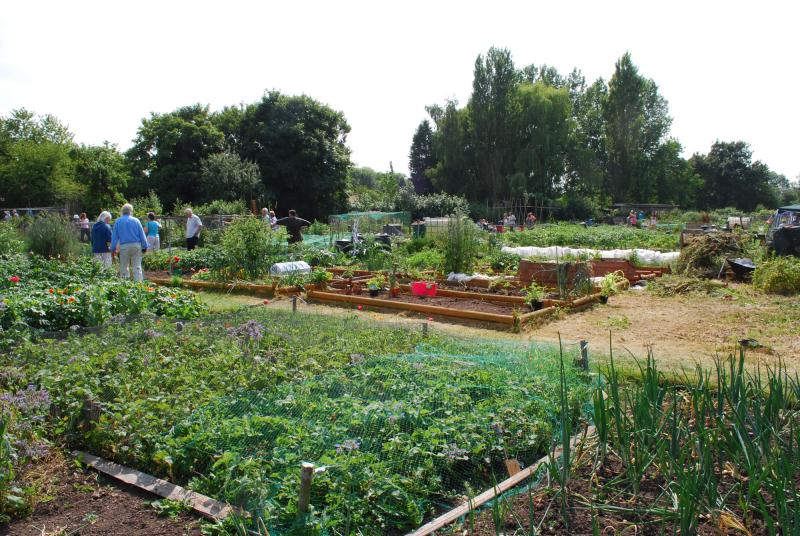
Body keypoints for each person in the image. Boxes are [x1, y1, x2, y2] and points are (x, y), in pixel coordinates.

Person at [110, 204, 148, 281]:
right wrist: (145, 246)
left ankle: (125, 285)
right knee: (137, 266)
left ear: (122, 212)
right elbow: (142, 234)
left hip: (124, 246)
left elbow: (114, 237)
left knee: (124, 267)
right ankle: (139, 285)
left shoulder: (118, 221)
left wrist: (113, 248)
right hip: (136, 245)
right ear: (131, 211)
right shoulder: (136, 220)